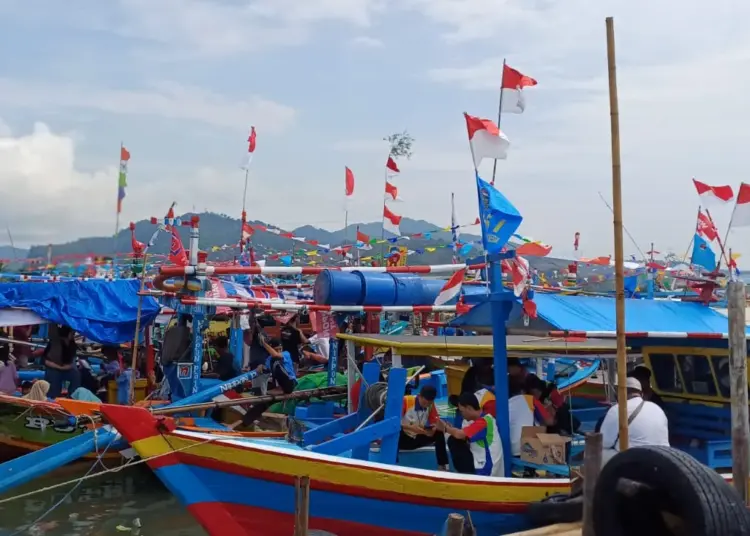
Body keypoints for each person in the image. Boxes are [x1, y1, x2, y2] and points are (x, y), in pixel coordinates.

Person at [600, 377, 670, 465]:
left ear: (619, 393)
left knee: (599, 452)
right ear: (641, 393)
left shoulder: (617, 409)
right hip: (663, 458)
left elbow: (604, 442)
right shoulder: (657, 409)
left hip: (636, 461)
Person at [436, 392, 504, 476]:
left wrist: (445, 428)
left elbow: (459, 434)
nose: (461, 415)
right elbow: (463, 436)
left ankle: (465, 475)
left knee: (453, 440)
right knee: (454, 439)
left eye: (462, 411)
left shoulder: (484, 422)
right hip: (481, 461)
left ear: (469, 408)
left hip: (487, 469)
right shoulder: (481, 419)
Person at [236, 337, 297, 428]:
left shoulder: (285, 354)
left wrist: (264, 344)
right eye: (277, 349)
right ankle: (244, 423)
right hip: (280, 387)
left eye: (280, 349)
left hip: (290, 384)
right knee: (262, 403)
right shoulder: (269, 360)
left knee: (275, 361)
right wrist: (261, 366)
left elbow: (276, 356)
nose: (279, 351)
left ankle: (282, 389)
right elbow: (265, 369)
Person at [399, 385, 449, 470]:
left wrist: (433, 428)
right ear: (420, 396)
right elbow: (394, 423)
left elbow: (435, 421)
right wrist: (410, 428)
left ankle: (442, 466)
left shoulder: (430, 404)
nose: (426, 406)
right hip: (404, 438)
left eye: (429, 403)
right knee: (395, 433)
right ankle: (394, 463)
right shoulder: (406, 401)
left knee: (439, 433)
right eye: (425, 403)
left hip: (418, 436)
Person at [43, 325, 80, 399]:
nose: (74, 335)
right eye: (72, 333)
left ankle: (72, 397)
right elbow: (46, 361)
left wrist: (63, 368)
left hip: (65, 368)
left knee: (76, 375)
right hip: (53, 368)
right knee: (54, 377)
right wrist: (59, 367)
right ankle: (53, 397)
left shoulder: (72, 345)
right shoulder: (55, 343)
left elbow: (70, 364)